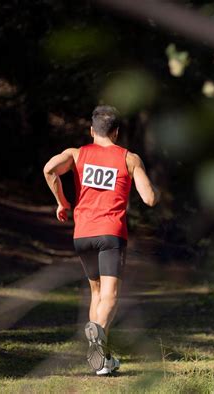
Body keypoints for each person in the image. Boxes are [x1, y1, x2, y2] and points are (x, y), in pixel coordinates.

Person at [43, 105, 160, 375]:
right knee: (111, 295)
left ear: (91, 130)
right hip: (111, 234)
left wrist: (63, 202)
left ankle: (104, 361)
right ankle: (98, 338)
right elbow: (149, 199)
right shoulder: (129, 158)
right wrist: (156, 193)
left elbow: (50, 169)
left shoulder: (76, 154)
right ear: (117, 133)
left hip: (82, 234)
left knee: (96, 293)